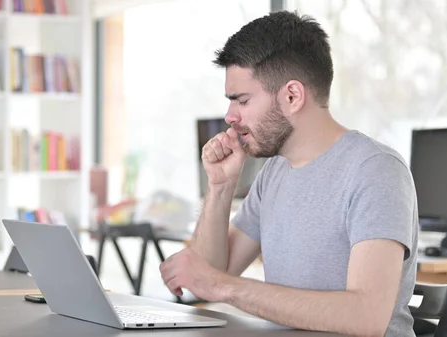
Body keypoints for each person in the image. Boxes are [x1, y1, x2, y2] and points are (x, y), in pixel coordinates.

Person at [159, 10, 418, 337]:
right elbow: (209, 277)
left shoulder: (376, 170)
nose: (230, 116)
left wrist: (225, 287)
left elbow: (366, 317)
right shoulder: (274, 173)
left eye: (242, 100)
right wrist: (220, 186)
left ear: (292, 96)